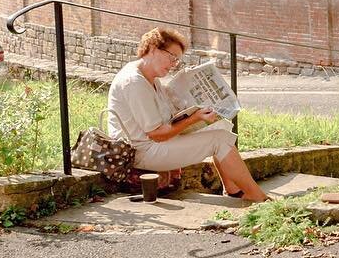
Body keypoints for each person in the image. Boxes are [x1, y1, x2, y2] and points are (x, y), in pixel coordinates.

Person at [107, 27, 269, 202]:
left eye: (176, 60)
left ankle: (233, 189)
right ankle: (257, 197)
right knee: (219, 139)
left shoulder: (150, 77)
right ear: (153, 49)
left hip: (152, 144)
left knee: (221, 127)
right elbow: (157, 134)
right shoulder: (134, 82)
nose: (173, 64)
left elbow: (166, 117)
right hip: (141, 152)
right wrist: (195, 118)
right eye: (172, 57)